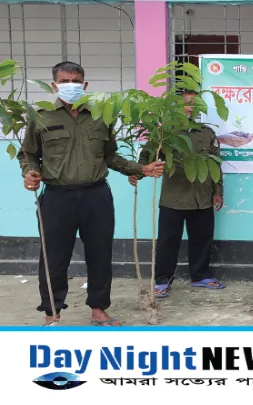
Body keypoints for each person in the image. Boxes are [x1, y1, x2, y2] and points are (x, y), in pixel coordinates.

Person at [18, 61, 165, 326]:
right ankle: (52, 312)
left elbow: (110, 155)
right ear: (54, 85)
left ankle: (99, 308)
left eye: (75, 81)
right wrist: (30, 173)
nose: (70, 85)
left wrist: (140, 168)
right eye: (63, 81)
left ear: (84, 85)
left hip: (96, 196)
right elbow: (28, 153)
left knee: (100, 254)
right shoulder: (41, 115)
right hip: (56, 197)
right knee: (53, 256)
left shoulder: (100, 116)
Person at [129, 89, 225, 297]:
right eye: (186, 103)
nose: (191, 106)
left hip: (202, 197)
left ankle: (200, 276)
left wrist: (218, 191)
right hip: (173, 197)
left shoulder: (207, 133)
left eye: (194, 103)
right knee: (168, 240)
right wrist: (137, 172)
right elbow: (147, 157)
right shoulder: (166, 134)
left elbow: (215, 165)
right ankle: (163, 280)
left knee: (202, 238)